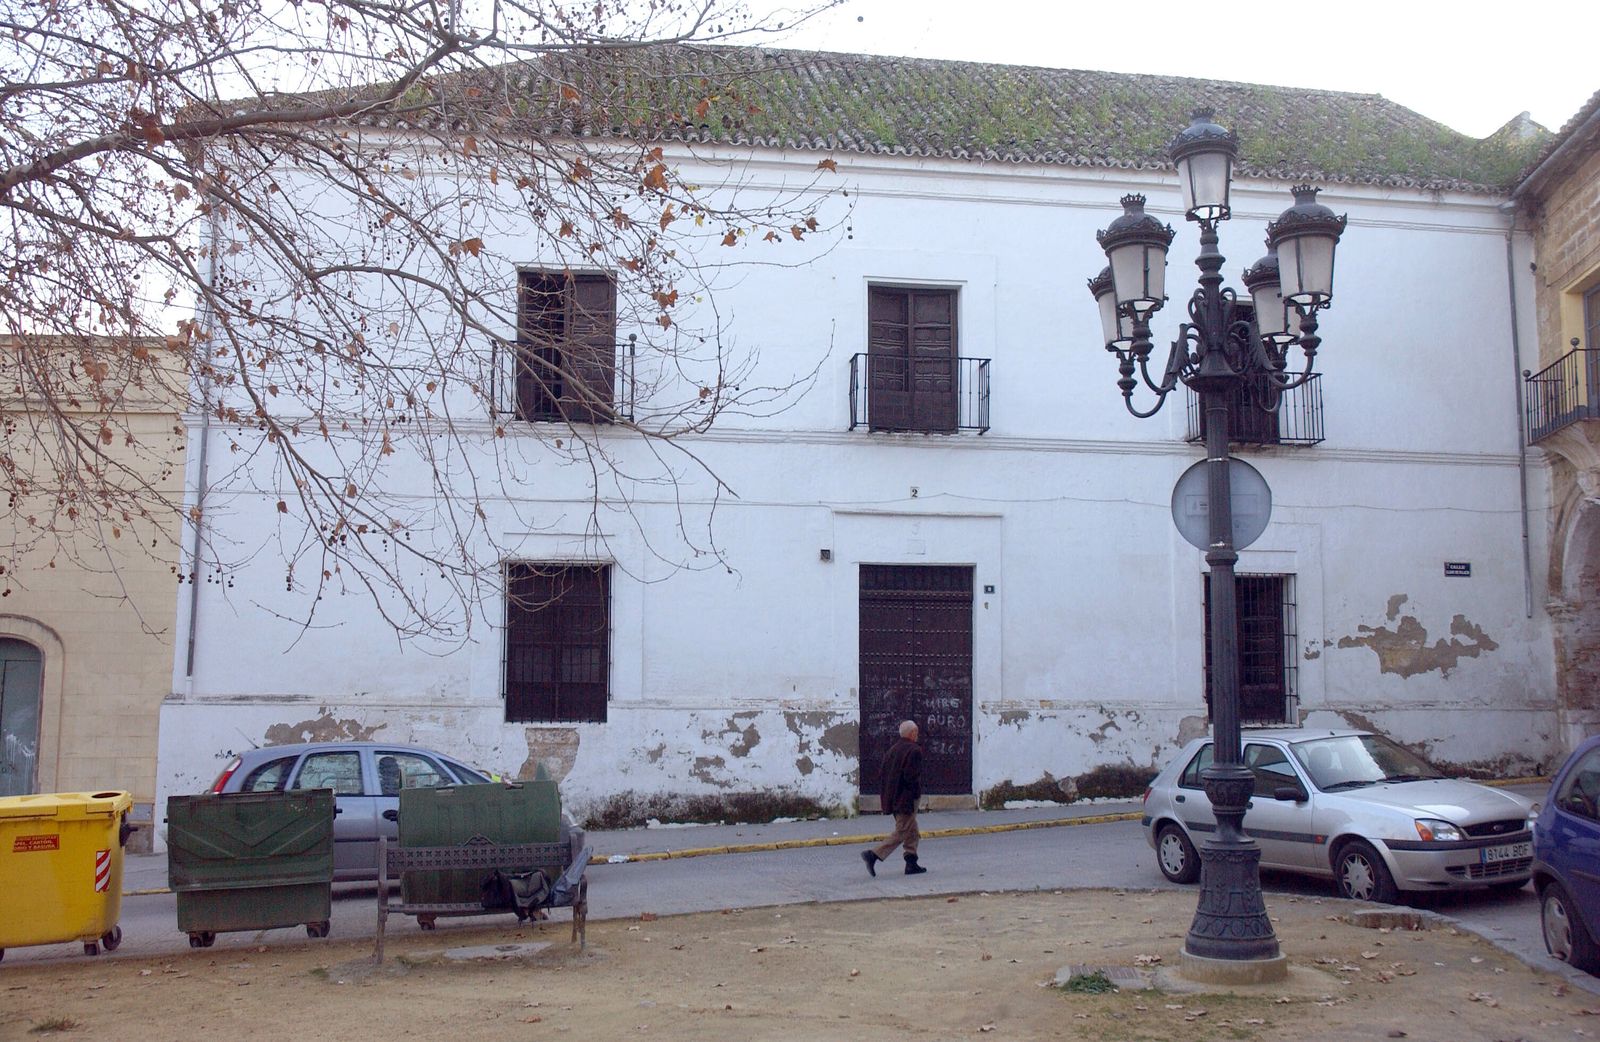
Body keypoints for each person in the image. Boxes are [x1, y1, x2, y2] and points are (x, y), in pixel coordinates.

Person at [862, 720, 926, 876]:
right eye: (916, 732)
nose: (917, 735)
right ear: (912, 733)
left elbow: (883, 775)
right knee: (903, 830)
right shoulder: (914, 751)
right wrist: (915, 794)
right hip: (906, 800)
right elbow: (911, 777)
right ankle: (873, 854)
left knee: (912, 830)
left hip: (893, 798)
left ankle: (911, 863)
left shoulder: (892, 750)